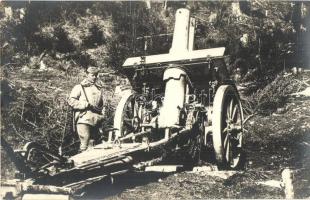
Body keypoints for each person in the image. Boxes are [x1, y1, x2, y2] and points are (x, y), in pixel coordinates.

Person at [68, 66, 105, 152]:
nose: (94, 77)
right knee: (85, 144)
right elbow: (71, 101)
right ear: (87, 75)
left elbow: (101, 104)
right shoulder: (79, 87)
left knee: (95, 145)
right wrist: (84, 104)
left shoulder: (98, 88)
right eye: (92, 75)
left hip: (96, 119)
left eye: (96, 75)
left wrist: (103, 114)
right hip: (84, 119)